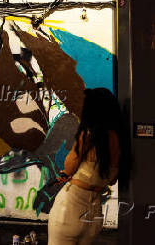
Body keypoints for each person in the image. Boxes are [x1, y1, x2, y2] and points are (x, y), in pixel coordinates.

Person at [48, 88, 123, 245]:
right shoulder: (118, 141)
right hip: (95, 213)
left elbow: (69, 167)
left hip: (70, 208)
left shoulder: (87, 135)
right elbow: (112, 180)